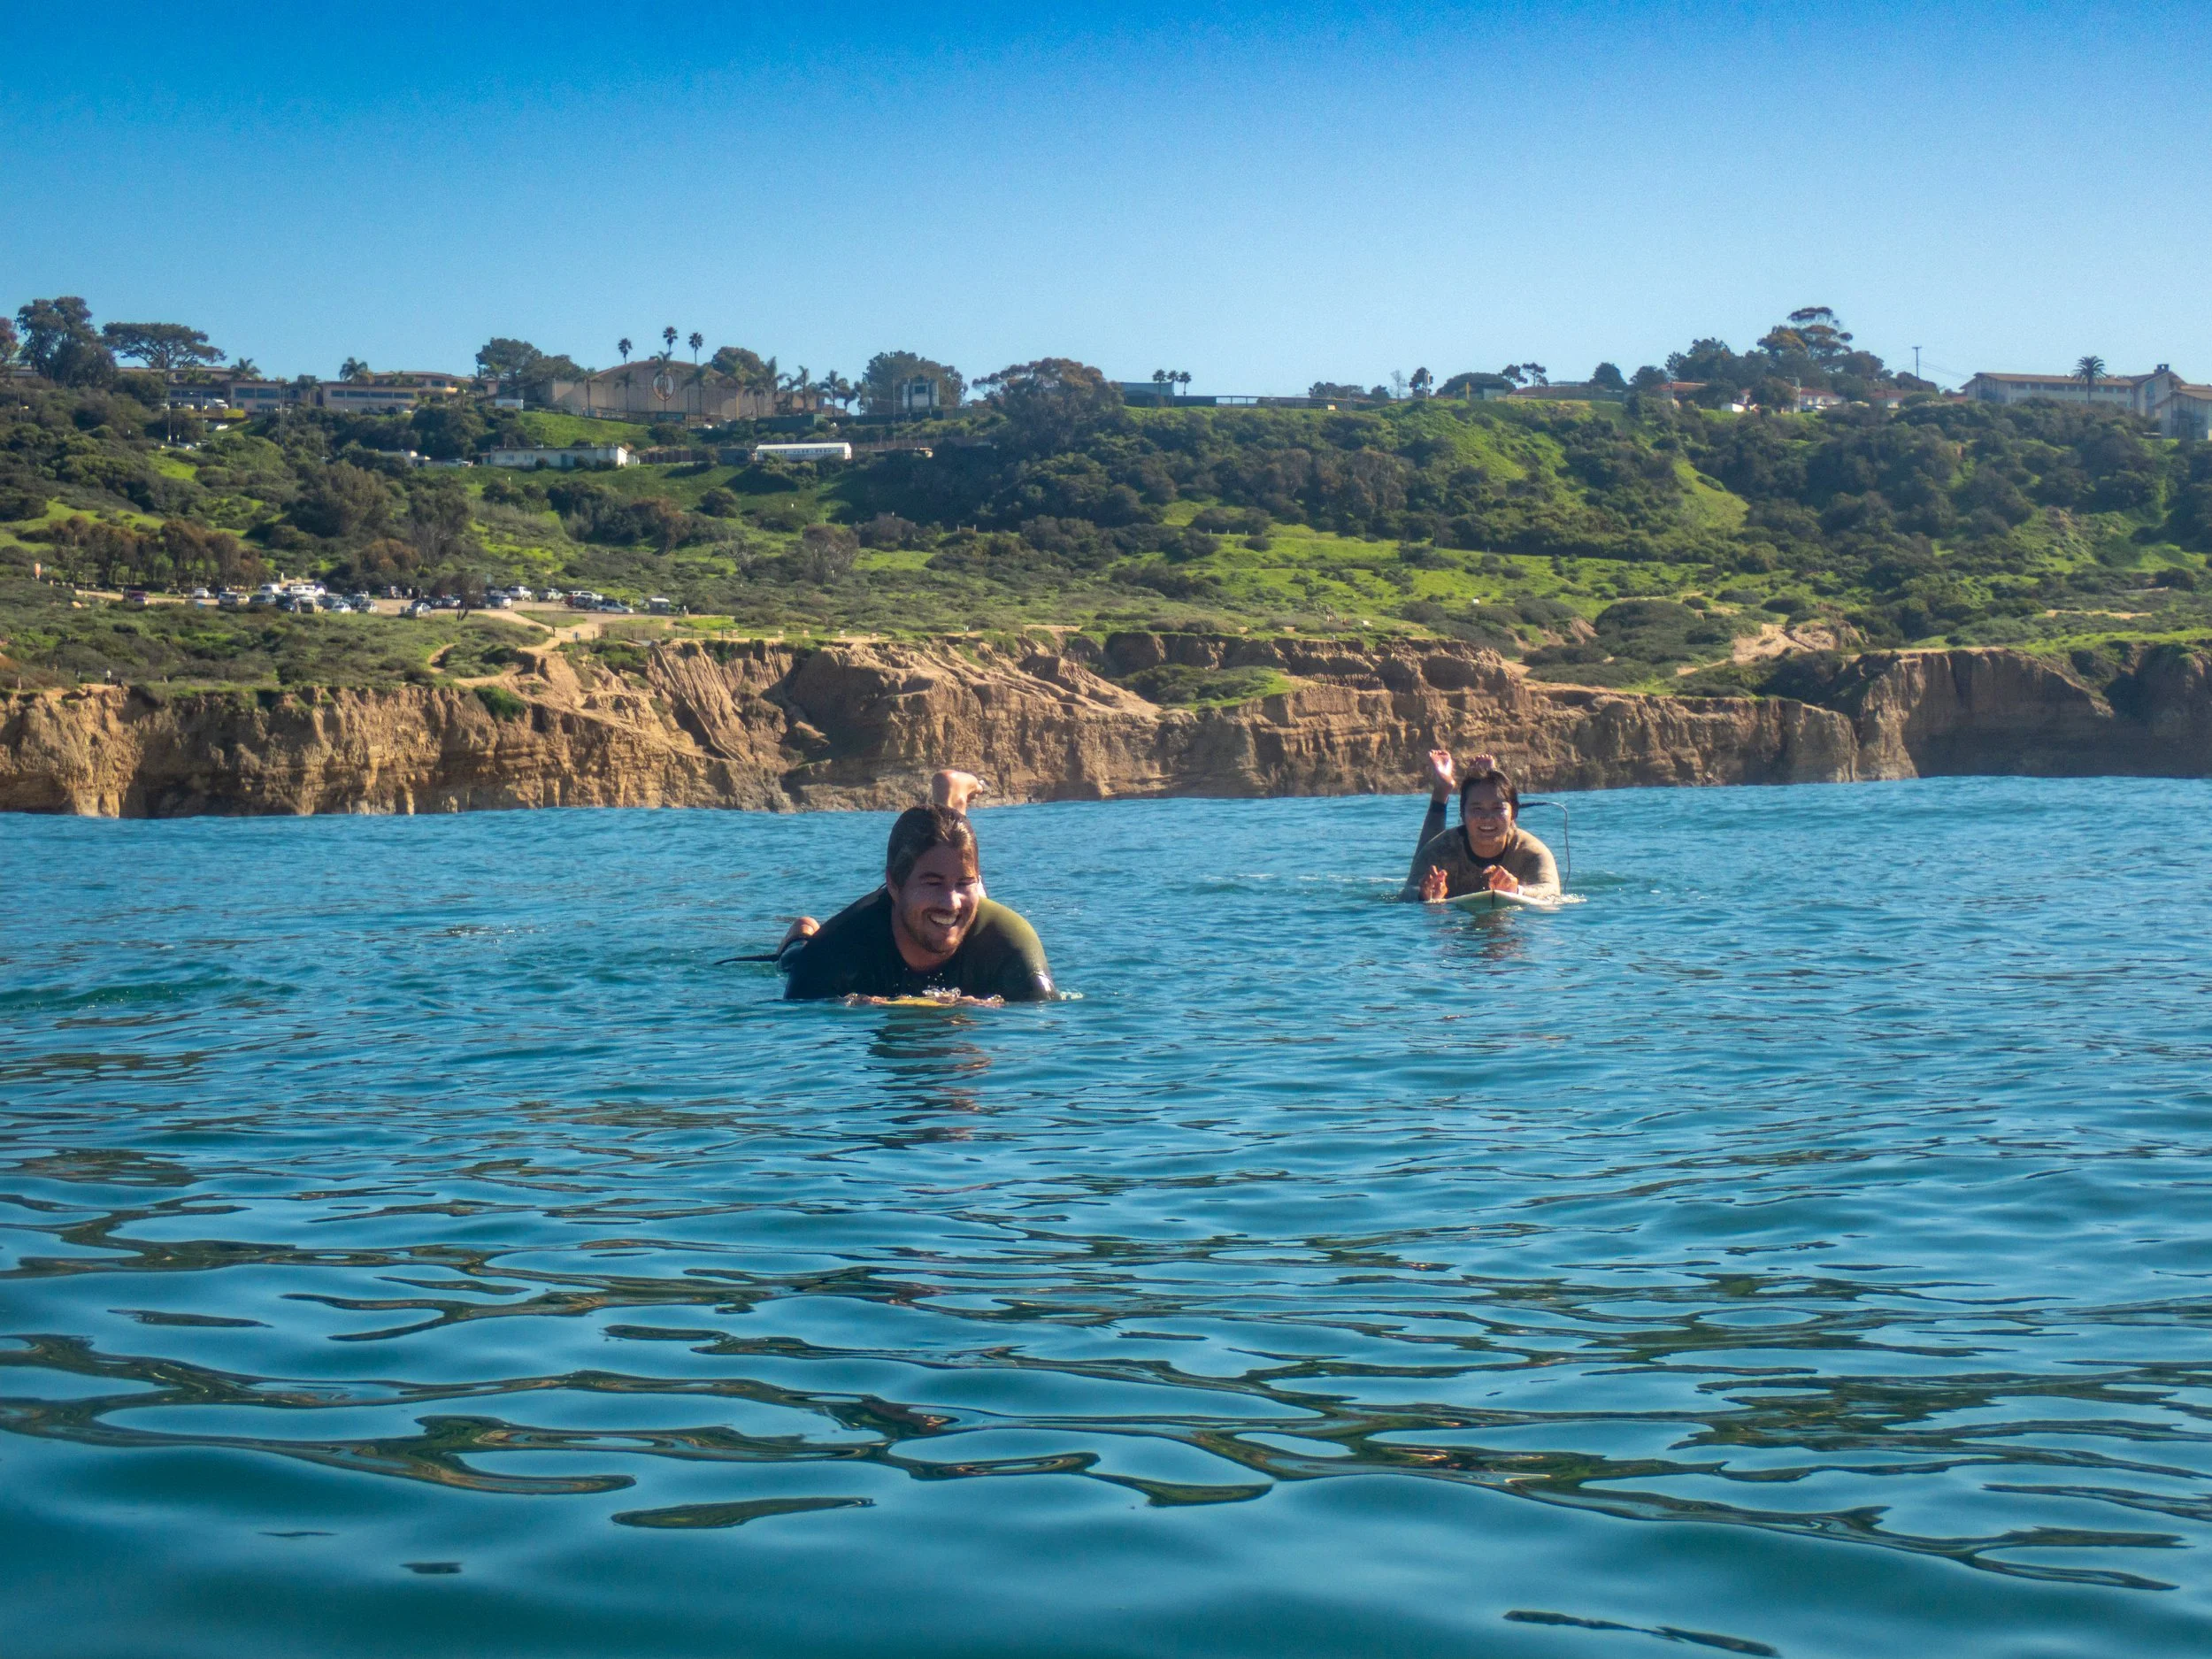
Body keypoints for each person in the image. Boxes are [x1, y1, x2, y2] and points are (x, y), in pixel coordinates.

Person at [778, 769, 1056, 1003]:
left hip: (934, 904)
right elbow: (802, 1020)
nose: (951, 901)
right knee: (793, 958)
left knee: (955, 883)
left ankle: (951, 803)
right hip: (870, 921)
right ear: (893, 886)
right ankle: (801, 933)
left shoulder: (1011, 943)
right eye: (932, 883)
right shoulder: (831, 954)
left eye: (965, 882)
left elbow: (1044, 1025)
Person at [1402, 749, 1561, 902]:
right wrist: (1424, 896)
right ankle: (1442, 791)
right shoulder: (1438, 850)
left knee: (1499, 819)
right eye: (1477, 809)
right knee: (1428, 854)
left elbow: (1552, 893)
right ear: (1462, 814)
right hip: (1453, 921)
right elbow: (1407, 893)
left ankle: (1489, 782)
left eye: (1497, 808)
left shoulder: (1532, 852)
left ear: (1515, 813)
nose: (1486, 817)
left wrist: (1517, 891)